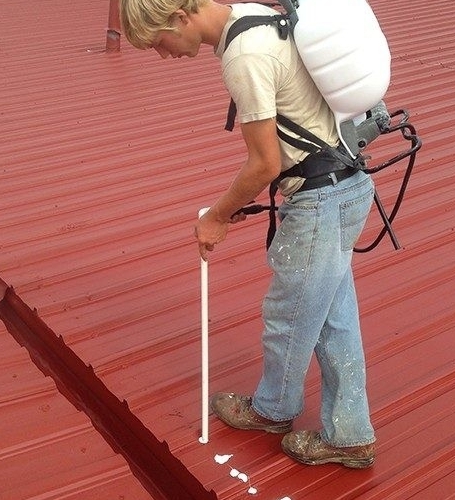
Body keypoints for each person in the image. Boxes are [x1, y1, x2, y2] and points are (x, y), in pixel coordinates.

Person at [120, 0, 376, 468]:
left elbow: (264, 163)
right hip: (346, 185)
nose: (164, 55)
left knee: (290, 316)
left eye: (158, 43)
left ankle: (272, 410)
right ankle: (351, 434)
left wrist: (217, 216)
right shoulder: (255, 14)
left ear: (179, 16)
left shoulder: (243, 55)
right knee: (332, 319)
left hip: (320, 199)